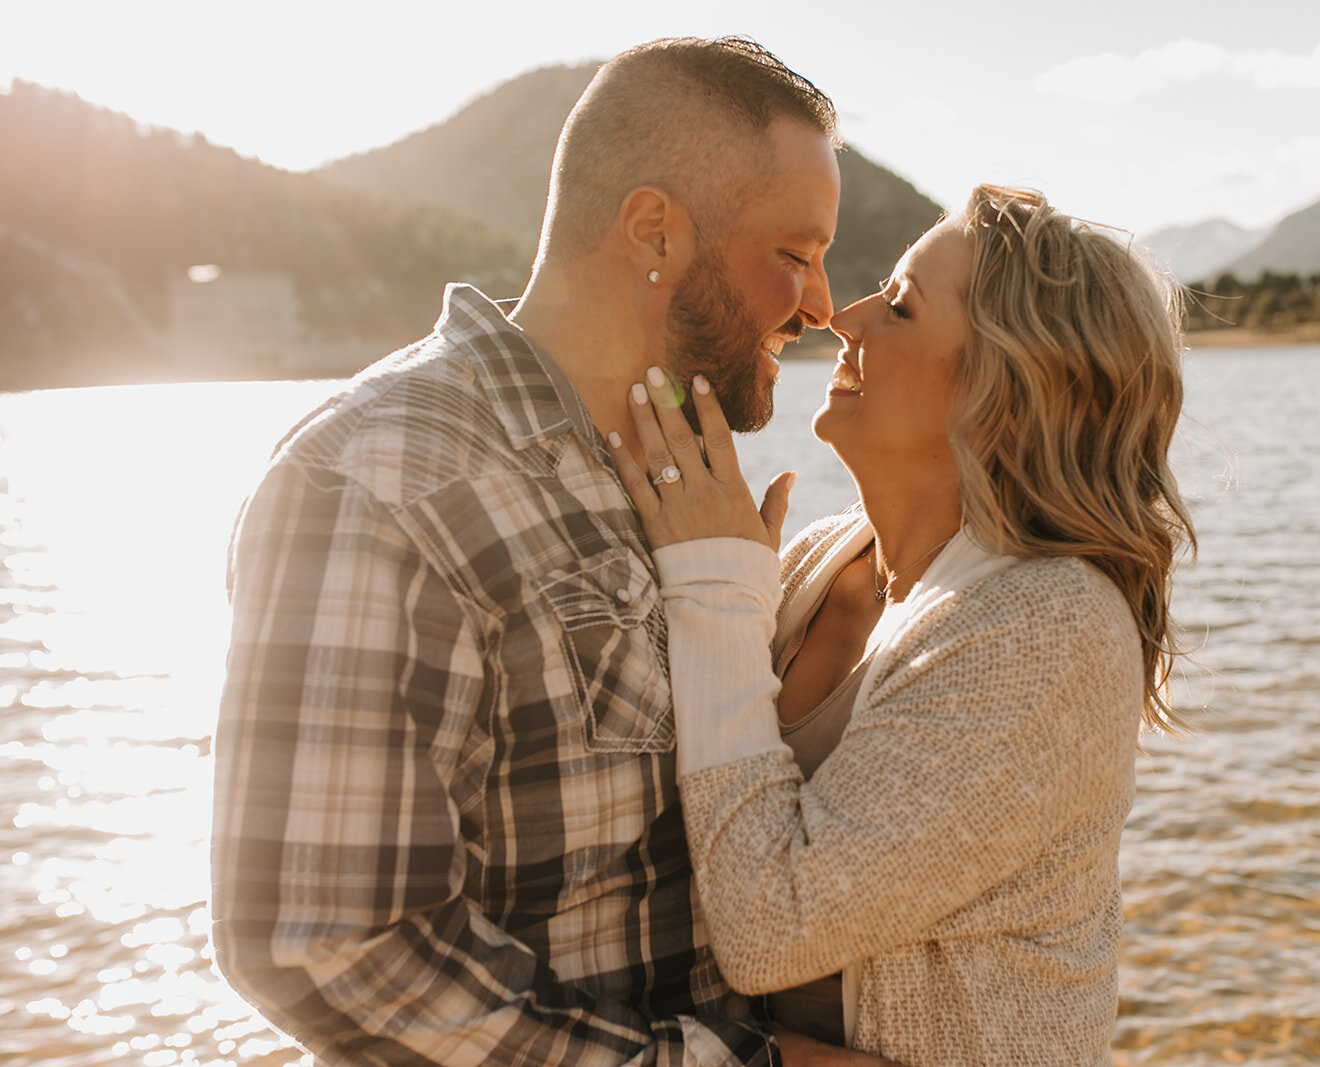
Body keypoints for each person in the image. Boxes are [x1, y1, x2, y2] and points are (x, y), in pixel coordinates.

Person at [211, 37, 895, 1066]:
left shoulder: (680, 469)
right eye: (794, 255)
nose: (817, 306)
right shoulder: (382, 482)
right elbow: (329, 945)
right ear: (653, 231)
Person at [609, 185, 1195, 1066]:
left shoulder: (1049, 626)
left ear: (1005, 385)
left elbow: (774, 924)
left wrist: (718, 598)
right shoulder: (819, 559)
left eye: (901, 304)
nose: (845, 317)